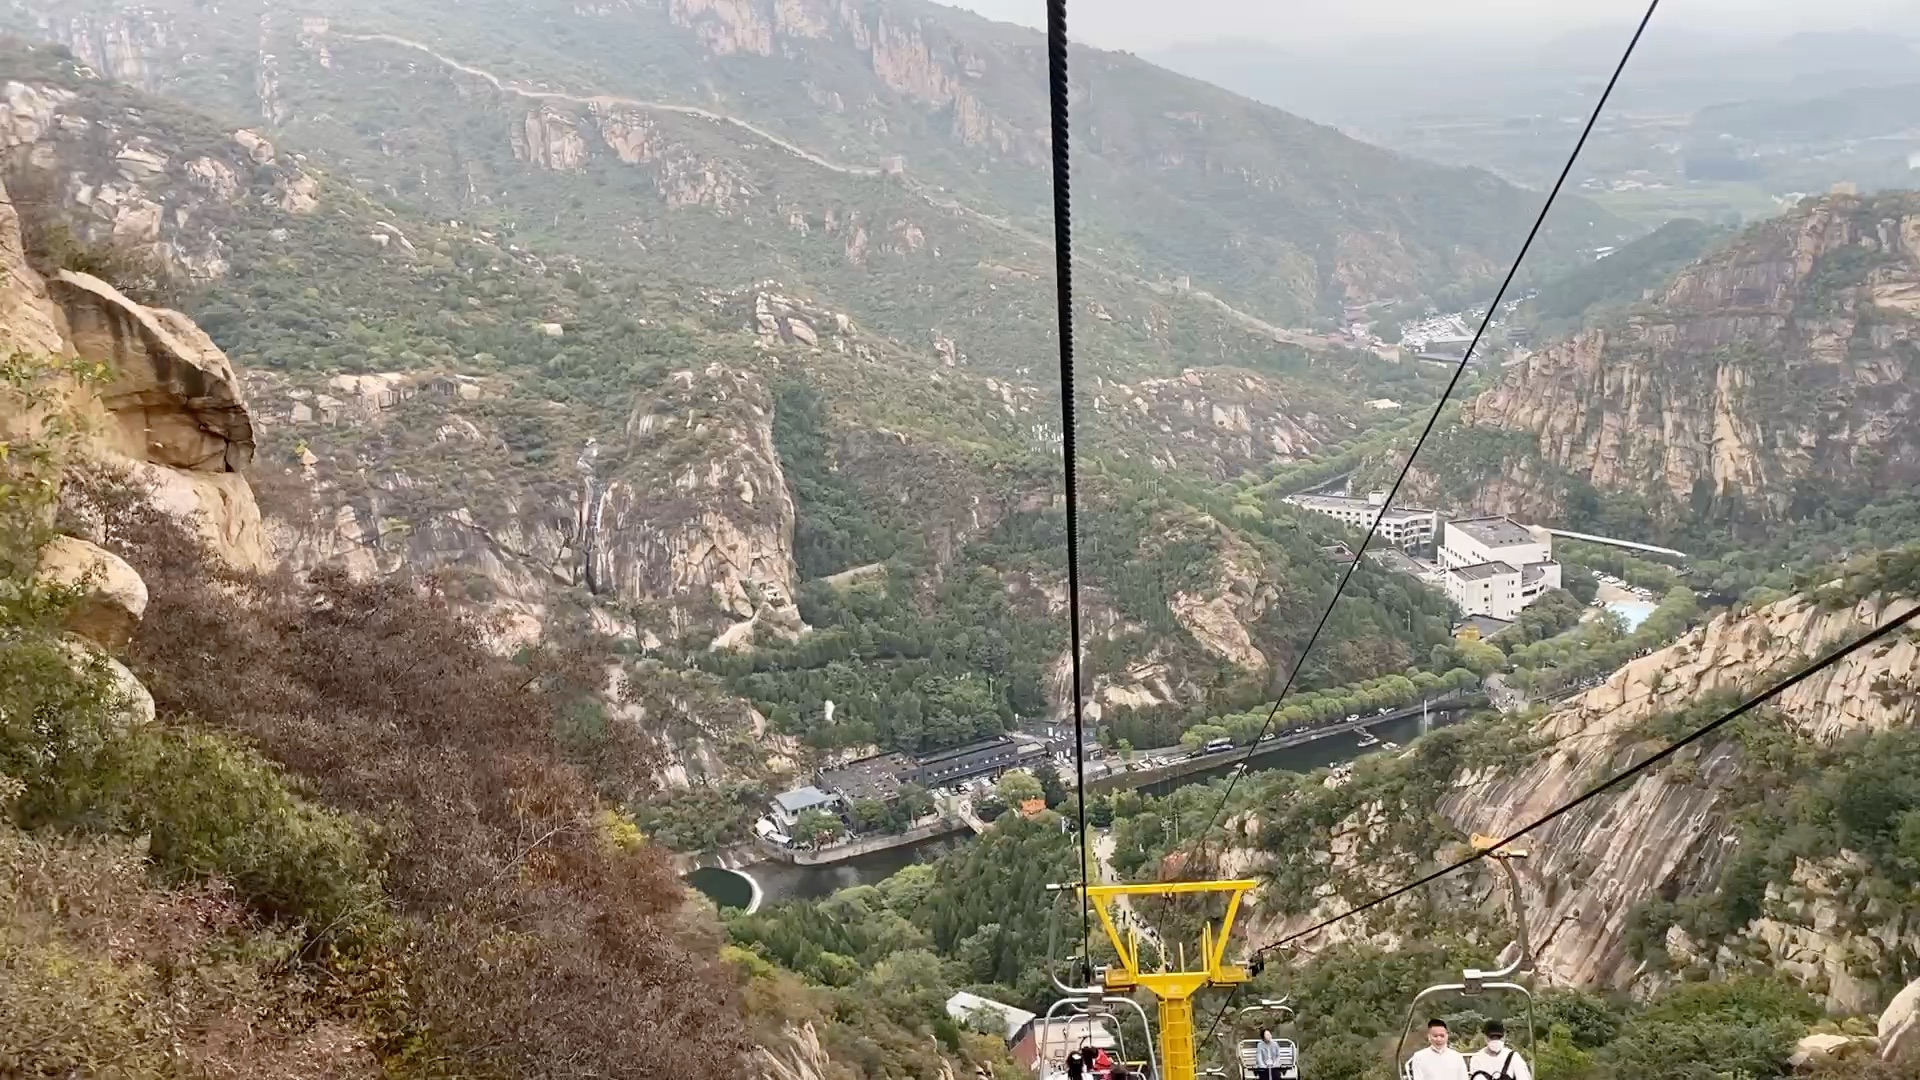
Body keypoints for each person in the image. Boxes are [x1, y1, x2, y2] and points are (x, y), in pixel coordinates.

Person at [1404, 1018, 1469, 1080]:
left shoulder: (1457, 1057)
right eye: (1435, 1036)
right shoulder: (1419, 1057)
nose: (1439, 1039)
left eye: (1442, 1036)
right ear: (1429, 1037)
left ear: (1447, 1036)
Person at [1467, 1020, 1532, 1080]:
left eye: (1499, 1037)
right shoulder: (1477, 1058)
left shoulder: (1514, 1057)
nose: (1495, 1041)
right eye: (1492, 1037)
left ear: (1504, 1037)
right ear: (1485, 1037)